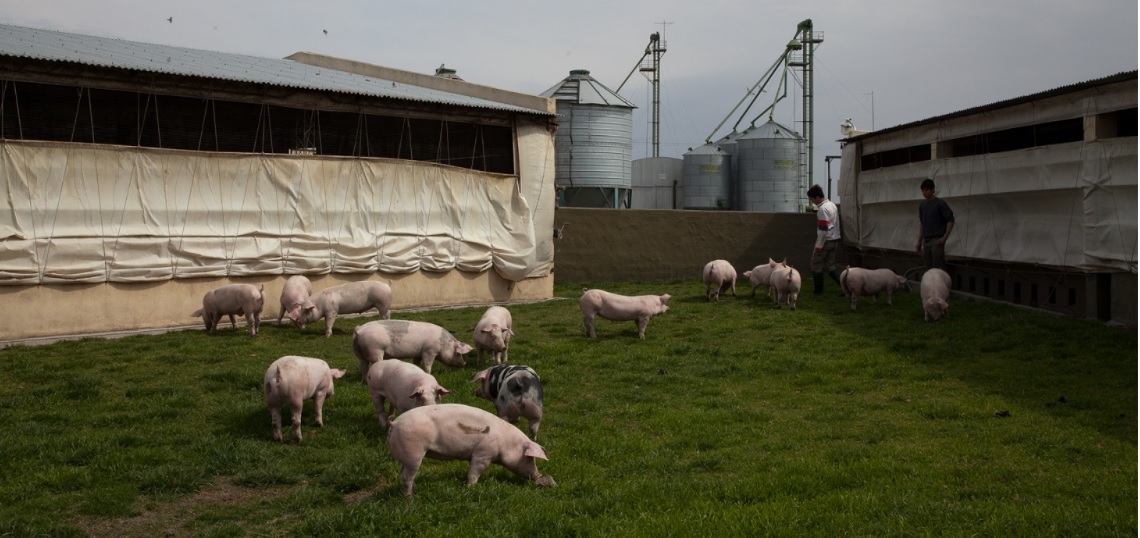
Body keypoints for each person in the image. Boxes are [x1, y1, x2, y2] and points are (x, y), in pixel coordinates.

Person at [807, 185, 843, 295]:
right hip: (835, 239)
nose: (813, 202)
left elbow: (823, 229)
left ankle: (818, 291)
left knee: (816, 265)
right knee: (830, 266)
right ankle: (846, 287)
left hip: (826, 241)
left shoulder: (822, 209)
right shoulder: (832, 205)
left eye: (813, 199)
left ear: (817, 197)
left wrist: (818, 246)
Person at [915, 178, 955, 270]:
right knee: (928, 268)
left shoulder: (940, 203)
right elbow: (922, 224)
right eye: (923, 190)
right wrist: (919, 241)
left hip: (937, 240)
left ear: (932, 190)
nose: (924, 193)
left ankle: (940, 284)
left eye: (927, 190)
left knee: (938, 268)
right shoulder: (922, 205)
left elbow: (950, 220)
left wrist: (945, 237)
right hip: (926, 241)